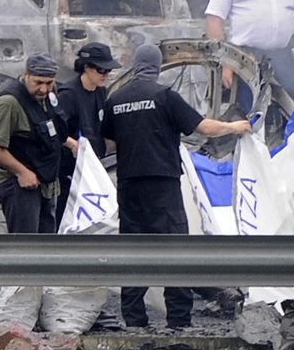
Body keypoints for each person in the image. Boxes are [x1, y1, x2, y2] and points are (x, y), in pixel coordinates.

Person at [101, 44, 252, 330]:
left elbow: (109, 141)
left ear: (135, 65)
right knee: (175, 251)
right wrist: (235, 127)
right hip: (162, 185)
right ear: (157, 67)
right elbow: (203, 128)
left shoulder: (115, 99)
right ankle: (179, 320)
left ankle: (134, 320)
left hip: (129, 185)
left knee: (134, 253)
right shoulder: (165, 96)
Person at [0, 53, 70, 234]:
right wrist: (22, 172)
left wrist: (70, 142)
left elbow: (45, 129)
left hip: (46, 184)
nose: (44, 89)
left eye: (49, 83)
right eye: (38, 82)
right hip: (18, 185)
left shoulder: (46, 98)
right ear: (26, 75)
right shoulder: (10, 103)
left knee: (46, 251)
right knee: (26, 248)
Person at [55, 42, 122, 226]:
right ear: (87, 67)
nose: (105, 76)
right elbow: (54, 130)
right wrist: (72, 144)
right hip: (69, 171)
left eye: (108, 72)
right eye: (101, 71)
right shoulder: (68, 95)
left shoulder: (101, 92)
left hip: (93, 167)